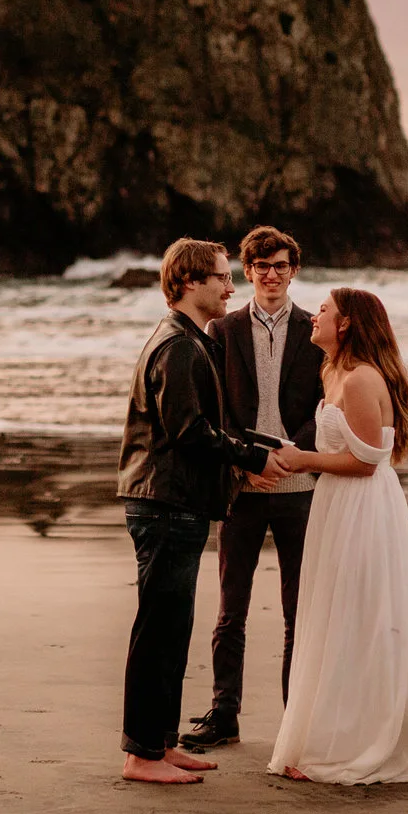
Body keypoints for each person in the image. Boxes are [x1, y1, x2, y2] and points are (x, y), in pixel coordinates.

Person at [116, 237, 294, 784]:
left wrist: (262, 448)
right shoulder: (178, 347)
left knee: (173, 628)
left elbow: (208, 425)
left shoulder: (191, 339)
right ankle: (141, 755)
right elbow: (190, 433)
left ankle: (161, 744)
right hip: (165, 503)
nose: (230, 285)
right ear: (190, 282)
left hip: (178, 503)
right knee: (159, 631)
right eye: (221, 276)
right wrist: (251, 459)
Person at [266, 286, 408, 785]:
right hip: (336, 505)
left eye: (324, 310)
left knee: (359, 620)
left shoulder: (362, 378)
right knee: (334, 618)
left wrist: (303, 460)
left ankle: (361, 744)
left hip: (362, 509)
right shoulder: (333, 371)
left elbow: (367, 462)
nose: (314, 315)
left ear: (345, 324)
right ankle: (328, 735)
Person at [181, 224, 325, 753]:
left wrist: (291, 458)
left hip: (299, 487)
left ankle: (296, 718)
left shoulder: (316, 329)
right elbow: (217, 408)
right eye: (261, 266)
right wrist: (246, 465)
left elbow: (323, 408)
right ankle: (224, 715)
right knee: (230, 610)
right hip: (241, 487)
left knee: (298, 611)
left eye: (281, 266)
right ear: (246, 272)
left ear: (294, 271)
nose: (271, 275)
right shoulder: (224, 329)